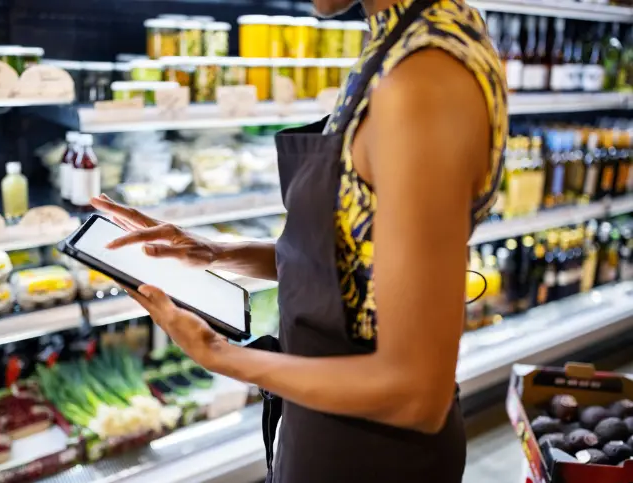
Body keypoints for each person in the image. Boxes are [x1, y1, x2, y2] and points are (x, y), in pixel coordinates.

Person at [92, 0, 508, 480]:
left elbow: (415, 394)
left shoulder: (421, 77)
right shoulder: (406, 38)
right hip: (330, 426)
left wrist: (218, 354)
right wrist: (214, 251)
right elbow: (358, 258)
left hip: (370, 456)